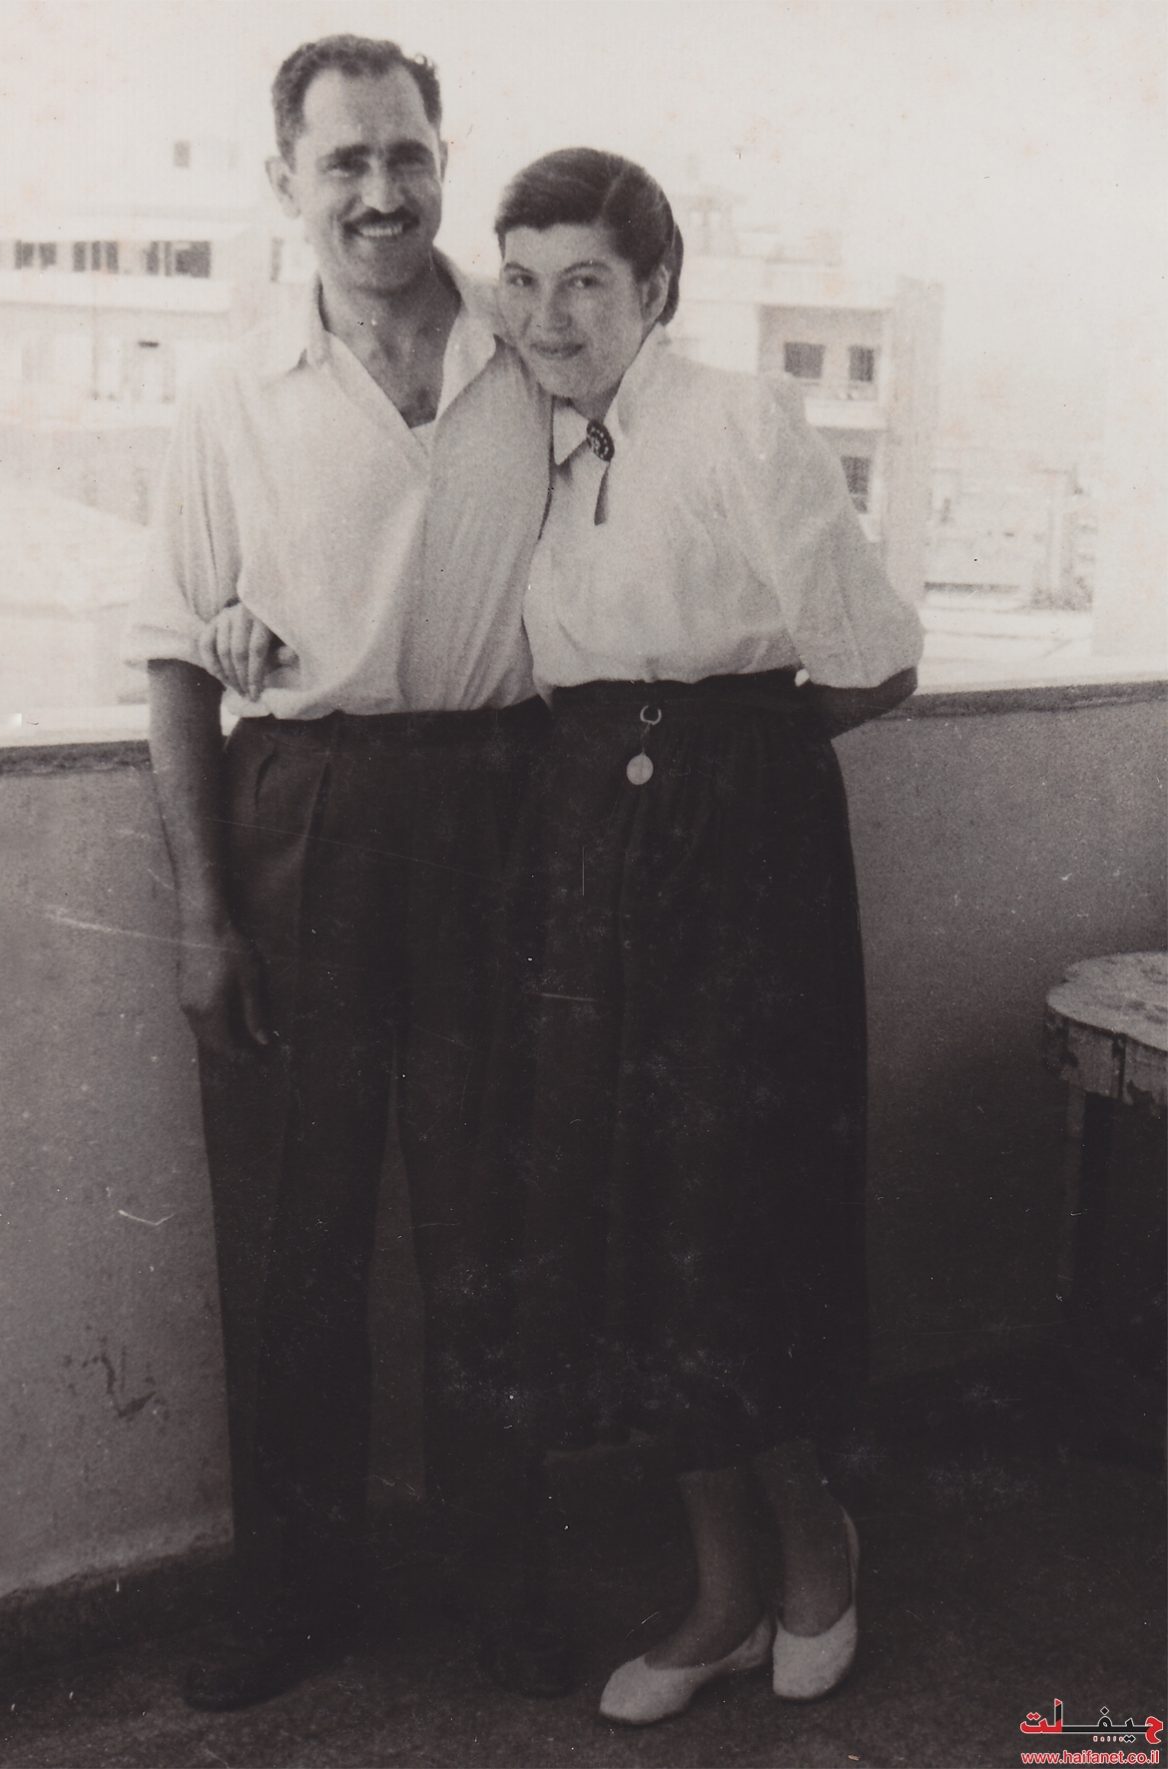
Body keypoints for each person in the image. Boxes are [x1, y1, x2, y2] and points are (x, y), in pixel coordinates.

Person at [124, 35, 552, 1711]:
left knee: (493, 1231)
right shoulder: (233, 390)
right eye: (345, 162)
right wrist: (202, 911)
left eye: (408, 154)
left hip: (499, 812)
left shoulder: (531, 350)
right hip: (300, 817)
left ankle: (503, 1584)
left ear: (446, 155)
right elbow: (176, 656)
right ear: (285, 182)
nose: (383, 192)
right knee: (292, 1240)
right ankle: (291, 1596)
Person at [487, 147, 924, 1725]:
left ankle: (815, 1547)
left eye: (586, 281)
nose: (549, 316)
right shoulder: (525, 443)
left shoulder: (740, 418)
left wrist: (718, 764)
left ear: (656, 289)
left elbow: (877, 659)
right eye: (522, 281)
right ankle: (722, 1592)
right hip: (589, 845)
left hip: (740, 850)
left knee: (735, 1210)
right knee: (630, 1216)